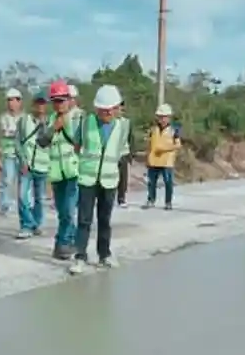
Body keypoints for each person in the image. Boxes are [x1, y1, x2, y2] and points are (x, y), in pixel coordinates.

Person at [68, 84, 130, 275]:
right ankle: (80, 256)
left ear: (117, 108)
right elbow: (77, 145)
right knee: (84, 220)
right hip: (87, 178)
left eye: (111, 108)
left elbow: (123, 155)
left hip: (109, 180)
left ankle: (104, 254)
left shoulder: (123, 125)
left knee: (105, 220)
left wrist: (122, 190)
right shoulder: (86, 122)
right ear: (97, 109)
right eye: (104, 109)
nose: (108, 112)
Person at [38, 80, 81, 261]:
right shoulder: (49, 120)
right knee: (63, 211)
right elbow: (41, 141)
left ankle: (64, 243)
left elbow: (81, 142)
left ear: (69, 99)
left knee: (70, 210)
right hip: (56, 173)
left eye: (62, 100)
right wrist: (53, 128)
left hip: (73, 171)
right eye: (55, 101)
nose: (59, 104)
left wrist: (66, 127)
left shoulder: (79, 118)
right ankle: (64, 242)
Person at [15, 87, 50, 240]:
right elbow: (17, 142)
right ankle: (26, 225)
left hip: (43, 166)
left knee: (39, 199)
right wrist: (22, 160)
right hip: (27, 165)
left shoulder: (51, 122)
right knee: (22, 196)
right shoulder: (24, 121)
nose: (41, 107)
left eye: (43, 104)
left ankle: (36, 223)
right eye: (38, 103)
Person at [143, 104, 181, 210]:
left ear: (169, 117)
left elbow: (178, 145)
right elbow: (149, 144)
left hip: (167, 161)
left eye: (164, 116)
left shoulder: (174, 130)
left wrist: (165, 148)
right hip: (153, 160)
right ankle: (151, 200)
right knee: (151, 182)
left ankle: (168, 202)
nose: (162, 119)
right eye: (160, 116)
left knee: (168, 183)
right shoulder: (153, 129)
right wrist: (147, 157)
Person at [0, 88, 23, 216]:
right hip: (9, 153)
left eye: (13, 100)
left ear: (19, 101)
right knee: (7, 179)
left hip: (22, 154)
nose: (11, 103)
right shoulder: (4, 117)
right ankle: (5, 205)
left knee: (23, 181)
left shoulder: (25, 117)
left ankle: (24, 204)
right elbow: (7, 132)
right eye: (9, 100)